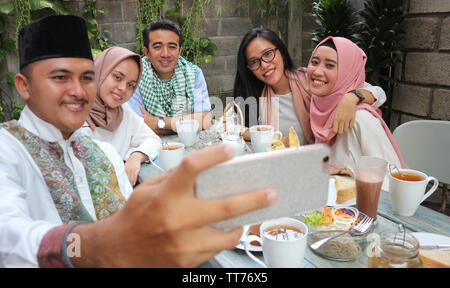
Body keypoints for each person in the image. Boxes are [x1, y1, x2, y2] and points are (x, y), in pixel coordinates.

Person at [0, 15, 277, 268]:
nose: (77, 90)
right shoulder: (8, 147)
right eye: (60, 77)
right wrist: (93, 245)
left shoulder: (101, 152)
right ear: (24, 86)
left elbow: (133, 217)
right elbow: (9, 236)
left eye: (86, 78)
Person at [231, 28, 387, 146]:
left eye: (268, 54)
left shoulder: (313, 78)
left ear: (282, 52)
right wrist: (267, 136)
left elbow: (378, 93)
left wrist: (351, 97)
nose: (264, 65)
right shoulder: (257, 95)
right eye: (254, 62)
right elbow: (226, 126)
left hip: (328, 168)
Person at [307, 36, 407, 188]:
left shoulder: (361, 118)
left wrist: (353, 175)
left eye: (330, 65)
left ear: (347, 73)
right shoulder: (319, 104)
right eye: (314, 62)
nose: (318, 71)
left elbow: (394, 180)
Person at [81, 46, 161, 186]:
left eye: (131, 85)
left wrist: (136, 156)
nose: (123, 88)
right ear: (100, 71)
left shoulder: (122, 110)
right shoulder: (74, 116)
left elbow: (153, 140)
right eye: (117, 77)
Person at [127, 19, 212, 135]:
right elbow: (137, 127)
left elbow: (205, 120)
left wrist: (158, 122)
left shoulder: (194, 74)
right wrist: (189, 123)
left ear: (179, 51)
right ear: (147, 52)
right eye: (157, 47)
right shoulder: (135, 76)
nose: (165, 54)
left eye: (172, 47)